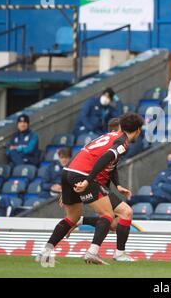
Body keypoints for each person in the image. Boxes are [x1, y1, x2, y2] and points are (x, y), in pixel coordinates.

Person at [37, 113, 144, 266]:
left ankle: (45, 252)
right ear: (138, 130)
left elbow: (99, 158)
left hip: (69, 172)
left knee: (75, 217)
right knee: (107, 215)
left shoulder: (110, 135)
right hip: (85, 177)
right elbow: (105, 158)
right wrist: (87, 180)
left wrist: (69, 182)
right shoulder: (123, 142)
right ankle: (92, 253)